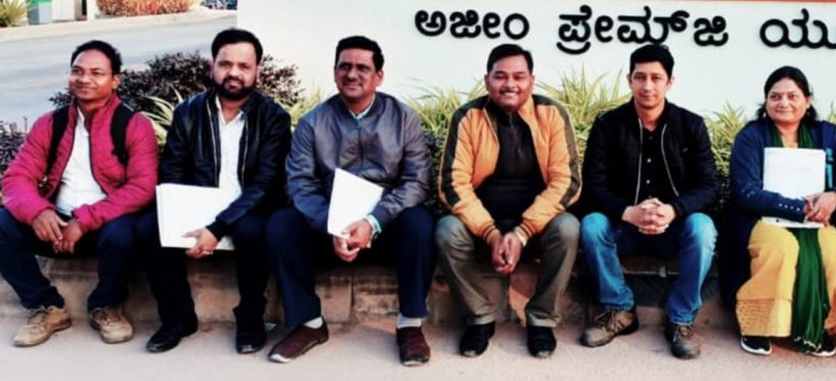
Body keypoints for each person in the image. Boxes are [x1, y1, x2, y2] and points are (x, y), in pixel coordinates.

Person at [266, 35, 435, 366]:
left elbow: (418, 181)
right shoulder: (313, 123)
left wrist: (373, 222)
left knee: (420, 223)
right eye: (344, 67)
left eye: (362, 68)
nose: (352, 74)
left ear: (378, 76)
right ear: (334, 73)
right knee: (281, 225)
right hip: (329, 229)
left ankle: (410, 325)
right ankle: (309, 323)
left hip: (385, 226)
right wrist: (333, 226)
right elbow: (299, 184)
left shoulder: (403, 119)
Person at [135, 29, 291, 354]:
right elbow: (173, 172)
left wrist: (217, 227)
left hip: (248, 207)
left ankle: (250, 315)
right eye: (225, 64)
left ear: (257, 71)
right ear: (213, 66)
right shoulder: (188, 112)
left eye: (244, 66)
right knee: (149, 228)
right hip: (198, 204)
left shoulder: (273, 118)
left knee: (252, 231)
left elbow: (265, 183)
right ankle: (177, 317)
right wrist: (183, 218)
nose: (234, 72)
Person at [0, 40, 158, 347]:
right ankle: (47, 307)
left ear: (115, 80)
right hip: (56, 225)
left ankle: (106, 306)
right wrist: (38, 212)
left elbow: (142, 187)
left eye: (97, 73)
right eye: (77, 71)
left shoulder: (133, 125)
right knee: (2, 224)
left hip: (105, 226)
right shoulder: (51, 123)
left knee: (124, 233)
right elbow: (17, 178)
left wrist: (84, 220)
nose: (84, 78)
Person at [436, 43, 581, 359]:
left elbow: (566, 182)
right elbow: (453, 184)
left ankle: (541, 319)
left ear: (532, 80)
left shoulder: (551, 114)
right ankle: (479, 317)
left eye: (519, 76)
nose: (510, 84)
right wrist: (491, 233)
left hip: (536, 227)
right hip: (482, 226)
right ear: (487, 80)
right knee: (447, 230)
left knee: (568, 228)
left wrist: (523, 232)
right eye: (500, 76)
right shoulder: (468, 117)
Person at [724, 66, 836, 358]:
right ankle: (757, 326)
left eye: (792, 96)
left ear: (807, 101)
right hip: (762, 218)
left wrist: (835, 196)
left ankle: (820, 325)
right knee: (781, 249)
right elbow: (745, 191)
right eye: (775, 97)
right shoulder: (752, 136)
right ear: (766, 101)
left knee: (835, 253)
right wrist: (800, 209)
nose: (783, 102)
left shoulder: (826, 135)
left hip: (818, 219)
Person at [578, 44, 718, 359]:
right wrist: (628, 212)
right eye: (640, 77)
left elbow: (710, 185)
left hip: (674, 229)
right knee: (592, 224)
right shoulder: (608, 125)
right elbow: (593, 186)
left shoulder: (691, 125)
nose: (648, 86)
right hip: (624, 227)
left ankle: (680, 319)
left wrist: (672, 210)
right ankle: (620, 309)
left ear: (670, 82)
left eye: (656, 78)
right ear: (629, 80)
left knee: (703, 228)